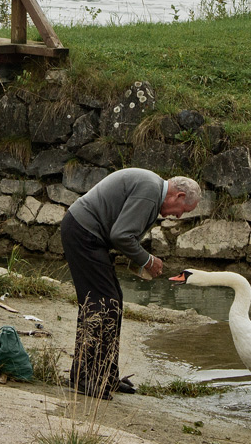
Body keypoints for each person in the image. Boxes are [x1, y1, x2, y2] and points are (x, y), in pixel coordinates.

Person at [60, 168, 201, 399]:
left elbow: (121, 233)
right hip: (83, 233)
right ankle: (84, 377)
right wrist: (147, 260)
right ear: (179, 196)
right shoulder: (150, 190)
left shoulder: (152, 190)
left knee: (112, 301)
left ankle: (105, 374)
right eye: (182, 211)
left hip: (88, 234)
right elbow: (121, 235)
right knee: (100, 304)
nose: (178, 217)